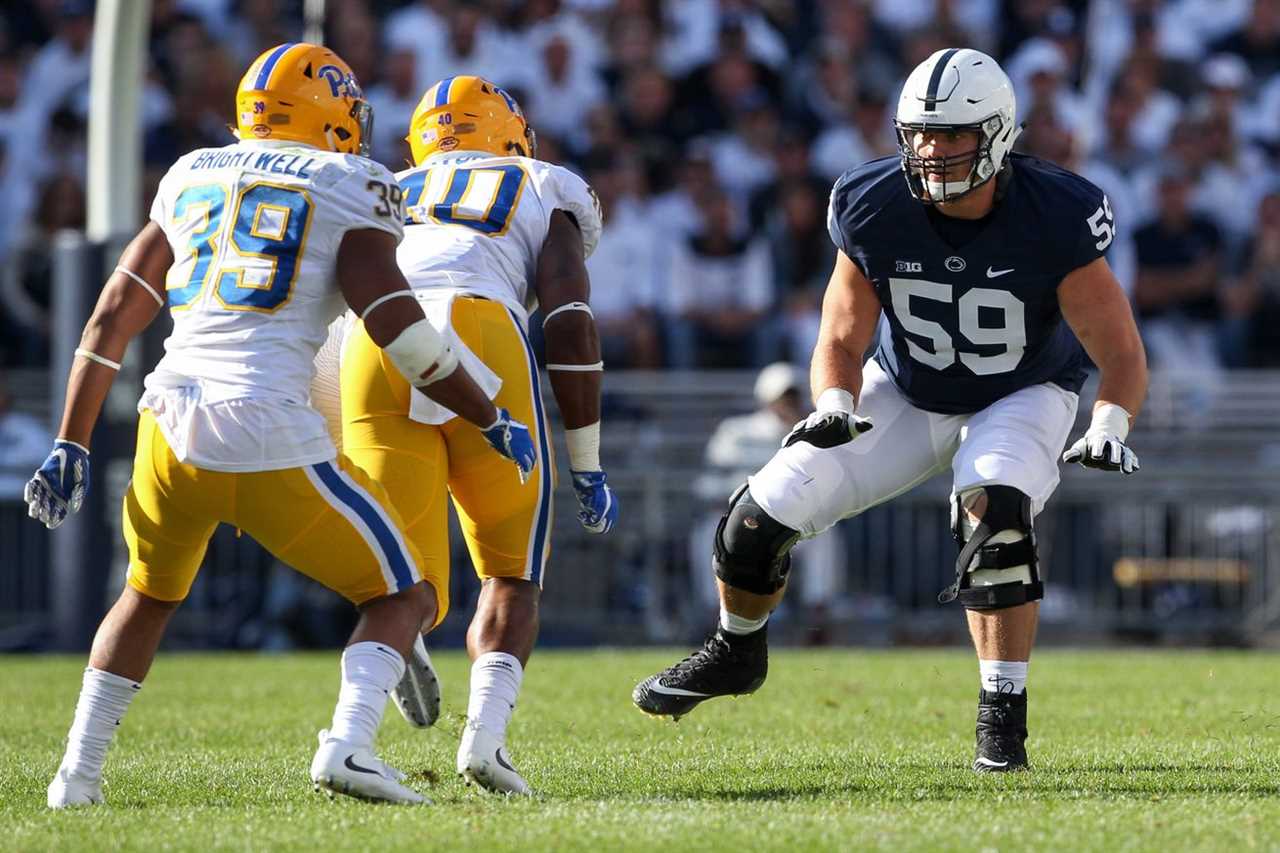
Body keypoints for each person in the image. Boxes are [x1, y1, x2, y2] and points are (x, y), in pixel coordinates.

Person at [24, 43, 536, 809]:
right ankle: (348, 746)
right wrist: (487, 413)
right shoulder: (347, 181)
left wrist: (70, 439)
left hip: (166, 425)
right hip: (265, 429)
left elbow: (110, 317)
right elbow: (397, 325)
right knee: (406, 593)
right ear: (326, 111)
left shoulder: (191, 172)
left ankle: (76, 775)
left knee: (144, 595)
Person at [633, 48, 1148, 773]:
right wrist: (835, 402)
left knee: (994, 515)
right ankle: (735, 650)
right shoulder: (872, 202)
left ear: (998, 133)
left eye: (953, 134)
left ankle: (1002, 723)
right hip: (906, 388)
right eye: (921, 133)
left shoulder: (1056, 212)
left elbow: (1121, 352)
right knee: (752, 521)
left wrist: (1108, 423)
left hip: (1023, 389)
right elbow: (839, 334)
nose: (933, 151)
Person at [314, 75, 617, 796]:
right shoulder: (543, 182)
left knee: (401, 583)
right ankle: (484, 743)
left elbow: (331, 319)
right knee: (510, 571)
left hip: (370, 343)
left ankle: (348, 740)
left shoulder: (386, 183)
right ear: (512, 135)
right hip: (482, 321)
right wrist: (587, 460)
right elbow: (569, 318)